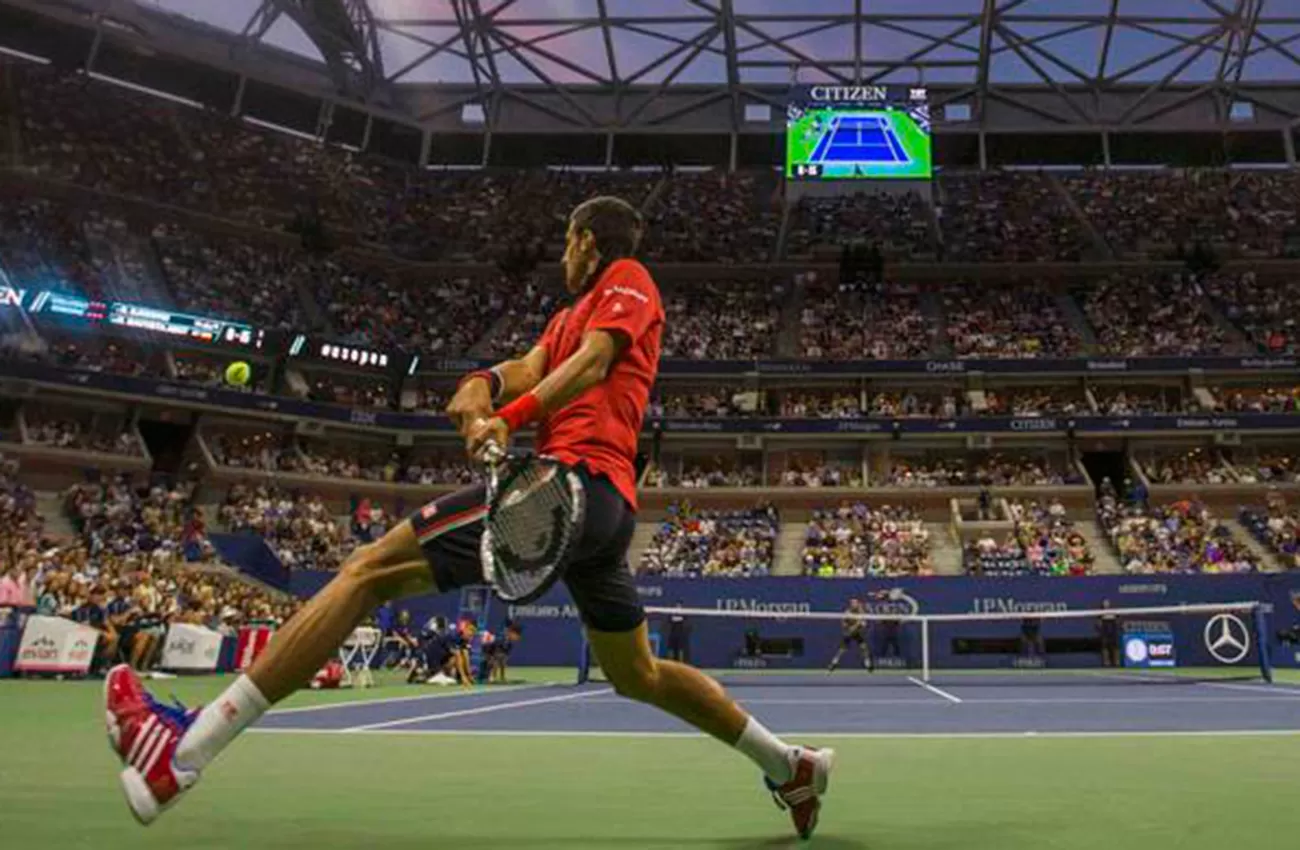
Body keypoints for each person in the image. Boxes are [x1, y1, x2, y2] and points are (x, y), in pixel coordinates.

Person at [103, 196, 833, 838]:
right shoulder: (566, 313)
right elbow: (531, 362)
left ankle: (184, 755)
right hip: (598, 517)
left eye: (567, 242)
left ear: (587, 240)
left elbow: (591, 363)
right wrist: (481, 384)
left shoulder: (627, 280)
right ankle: (789, 765)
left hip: (569, 488)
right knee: (636, 674)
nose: (562, 254)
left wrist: (507, 418)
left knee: (367, 571)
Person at [827, 598, 872, 672]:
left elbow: (864, 624)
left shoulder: (861, 612)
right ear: (851, 605)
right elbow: (843, 622)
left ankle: (868, 665)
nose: (854, 604)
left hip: (858, 633)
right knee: (841, 650)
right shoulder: (847, 612)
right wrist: (848, 628)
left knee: (864, 648)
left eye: (856, 603)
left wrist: (857, 626)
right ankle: (833, 663)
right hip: (848, 633)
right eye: (853, 603)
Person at [1097, 599, 1120, 668]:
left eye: (1107, 603)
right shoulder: (1100, 613)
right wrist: (1100, 626)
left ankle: (1117, 661)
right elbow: (1099, 622)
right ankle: (1106, 662)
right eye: (1104, 603)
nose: (1106, 604)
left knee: (1115, 646)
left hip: (1113, 630)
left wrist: (1117, 625)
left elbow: (1118, 620)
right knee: (1105, 646)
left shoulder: (1114, 612)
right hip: (1105, 630)